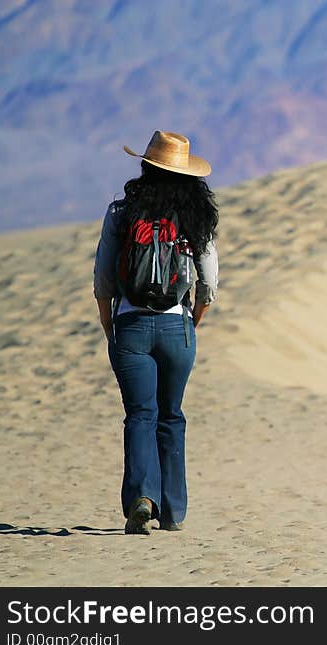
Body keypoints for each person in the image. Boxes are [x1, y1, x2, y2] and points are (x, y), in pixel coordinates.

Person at [93, 130, 219, 535]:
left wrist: (109, 319)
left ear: (146, 167)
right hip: (177, 328)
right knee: (171, 416)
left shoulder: (121, 213)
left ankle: (142, 499)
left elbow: (103, 277)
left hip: (130, 326)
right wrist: (193, 318)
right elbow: (209, 281)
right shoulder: (195, 218)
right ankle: (173, 510)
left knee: (140, 415)